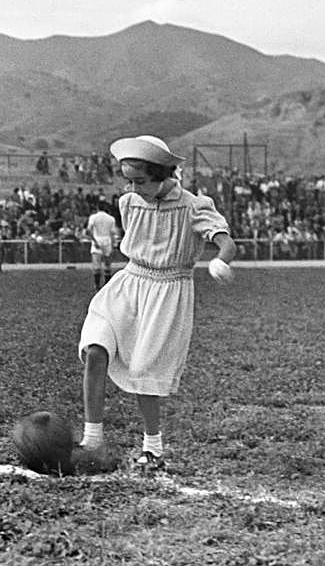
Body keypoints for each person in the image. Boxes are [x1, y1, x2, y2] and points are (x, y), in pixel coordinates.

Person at [73, 135, 236, 474]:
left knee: (146, 371)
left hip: (168, 292)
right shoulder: (129, 203)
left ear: (163, 173)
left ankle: (153, 448)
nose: (133, 187)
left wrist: (222, 260)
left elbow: (225, 242)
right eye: (128, 180)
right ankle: (92, 441)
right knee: (95, 348)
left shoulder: (194, 206)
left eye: (140, 180)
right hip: (129, 284)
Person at [84, 200, 118, 290]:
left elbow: (88, 231)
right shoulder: (111, 218)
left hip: (97, 241)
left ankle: (97, 286)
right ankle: (107, 287)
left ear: (97, 208)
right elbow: (113, 233)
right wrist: (114, 245)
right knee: (107, 266)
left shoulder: (93, 217)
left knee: (96, 266)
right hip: (107, 241)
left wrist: (94, 240)